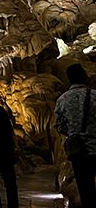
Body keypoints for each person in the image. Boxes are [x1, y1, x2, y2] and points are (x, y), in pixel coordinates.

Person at [54, 63, 96, 207]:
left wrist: (73, 132)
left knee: (85, 187)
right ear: (84, 76)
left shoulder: (62, 99)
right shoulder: (94, 96)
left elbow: (59, 125)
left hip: (77, 150)